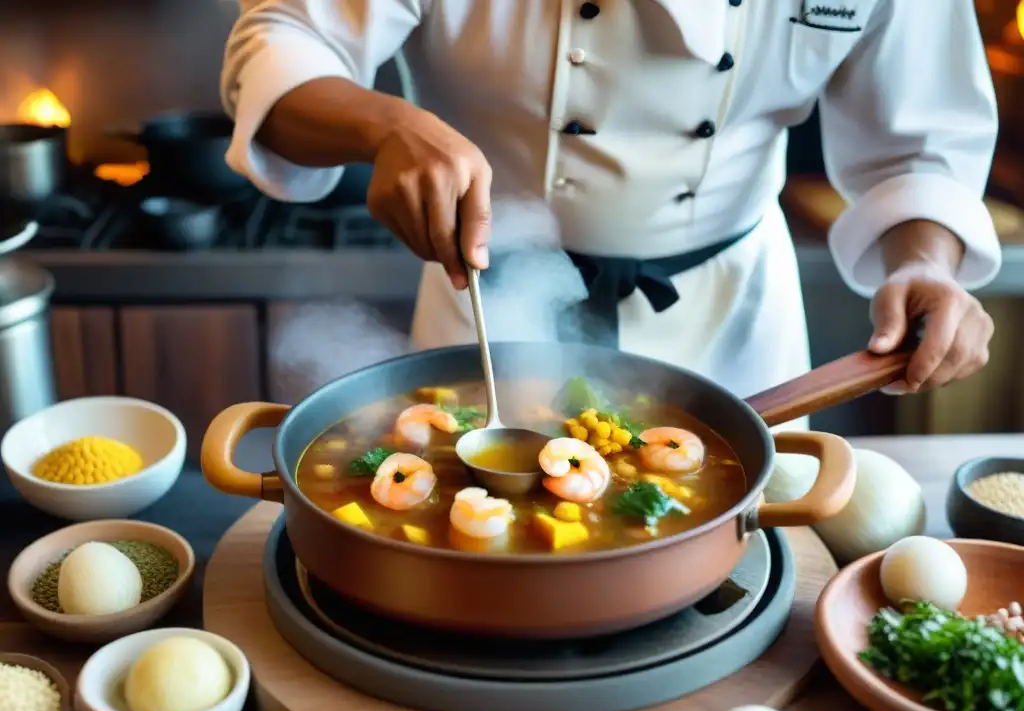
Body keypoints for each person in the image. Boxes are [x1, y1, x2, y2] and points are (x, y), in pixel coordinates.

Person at [220, 0, 999, 404]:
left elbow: (919, 139)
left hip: (736, 327)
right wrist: (386, 124)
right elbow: (282, 38)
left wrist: (926, 261)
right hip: (490, 304)